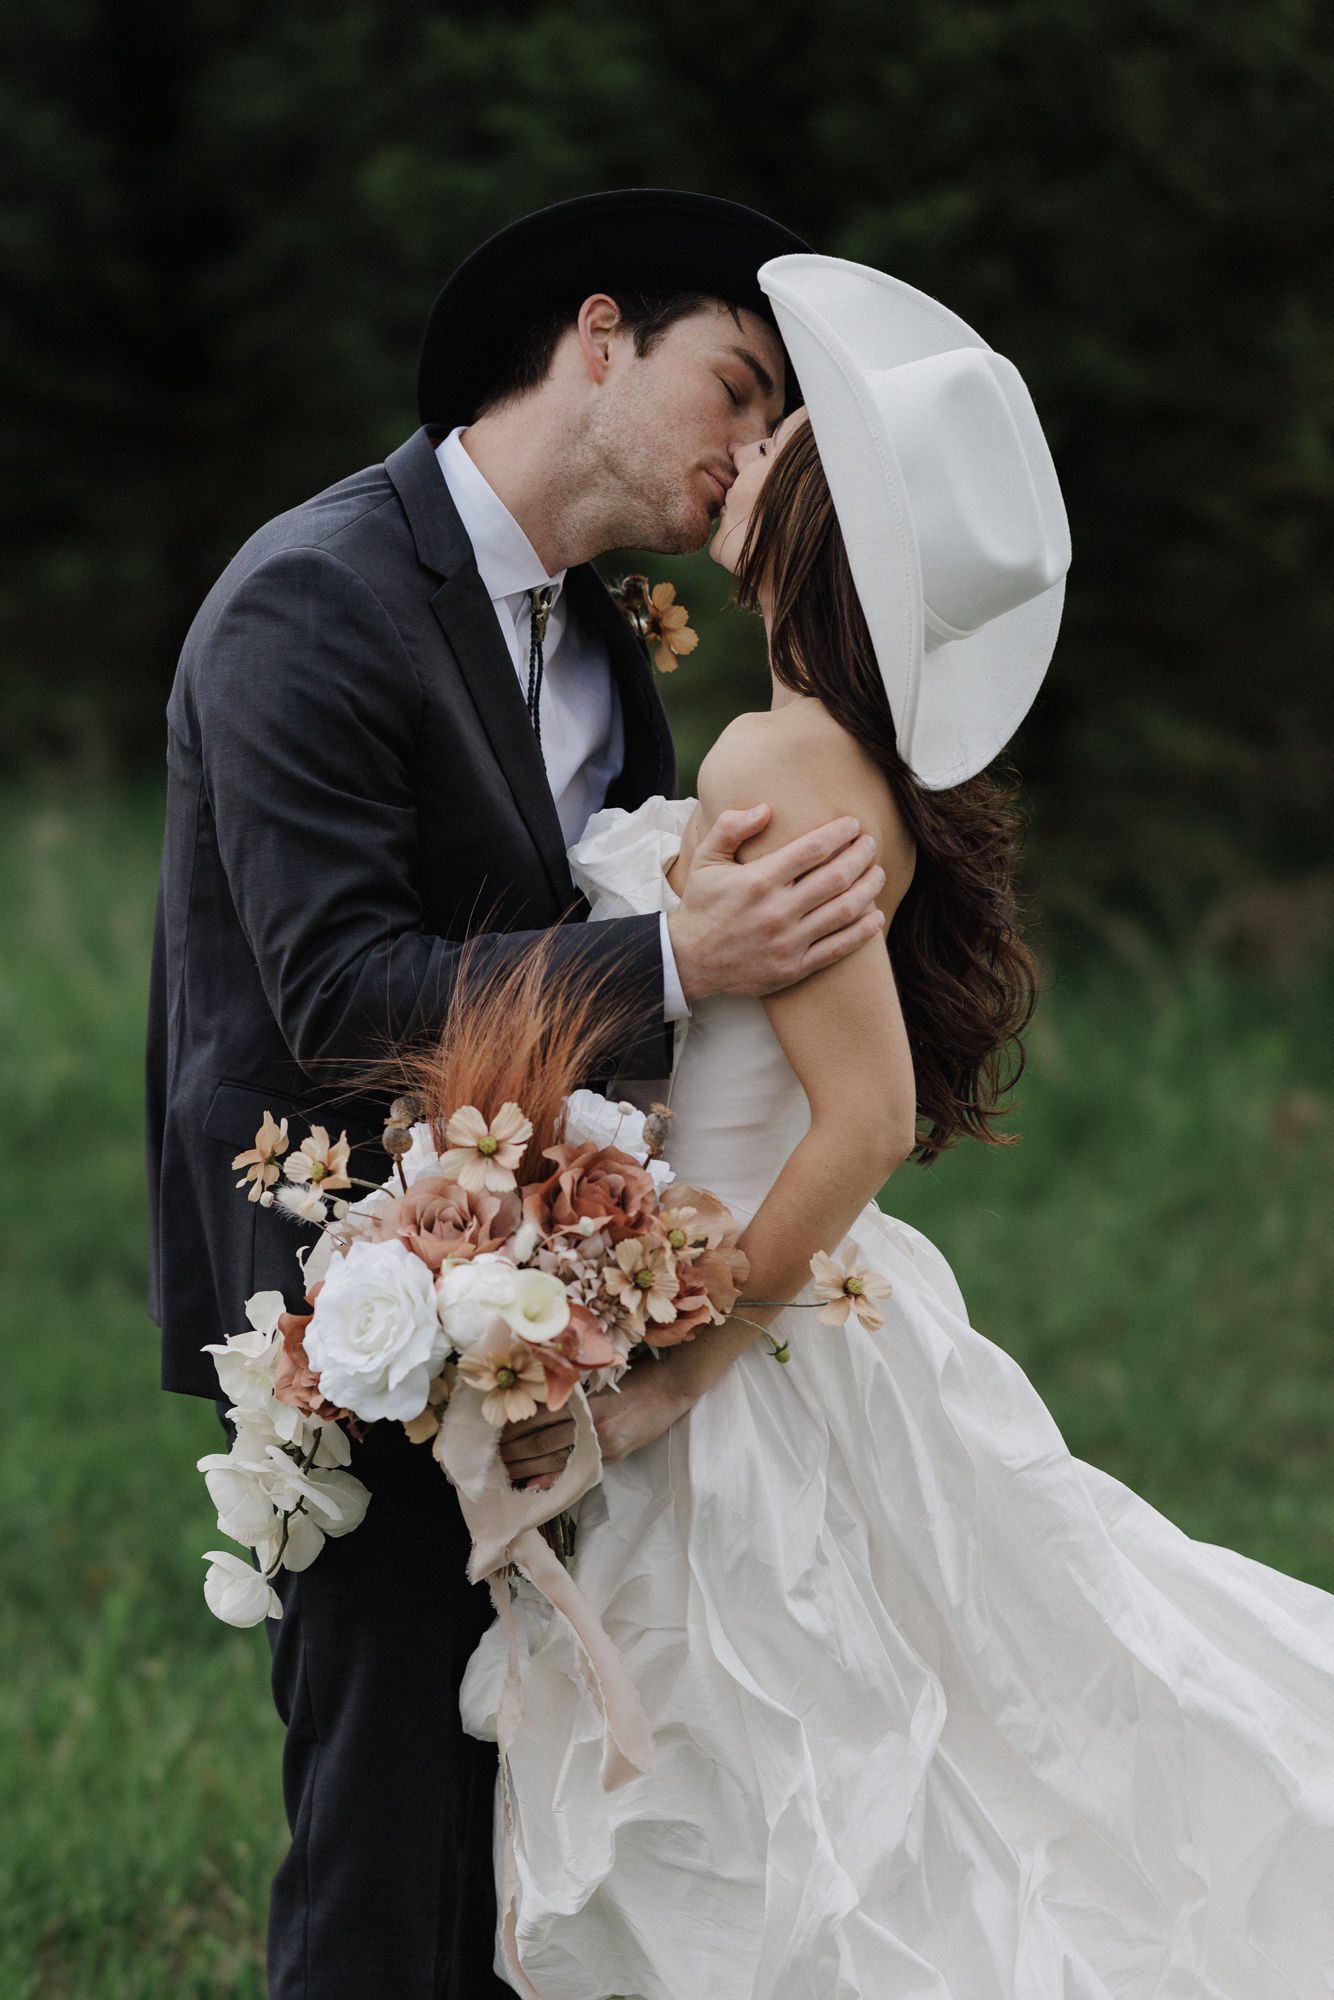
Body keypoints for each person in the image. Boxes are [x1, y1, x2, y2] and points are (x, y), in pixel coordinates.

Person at [459, 255, 1334, 1999]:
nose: (753, 448)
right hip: (760, 1294)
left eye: (788, 439)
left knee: (793, 1809)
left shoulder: (776, 761)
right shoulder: (827, 747)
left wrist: (673, 1379)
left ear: (833, 521)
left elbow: (862, 1121)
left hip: (743, 1336)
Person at [146, 194, 893, 2000]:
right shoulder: (310, 600)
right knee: (385, 1827)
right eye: (736, 388)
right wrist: (672, 966)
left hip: (558, 1299)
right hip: (354, 1307)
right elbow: (333, 1000)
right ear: (597, 334)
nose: (752, 452)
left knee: (536, 1834)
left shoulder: (604, 643)